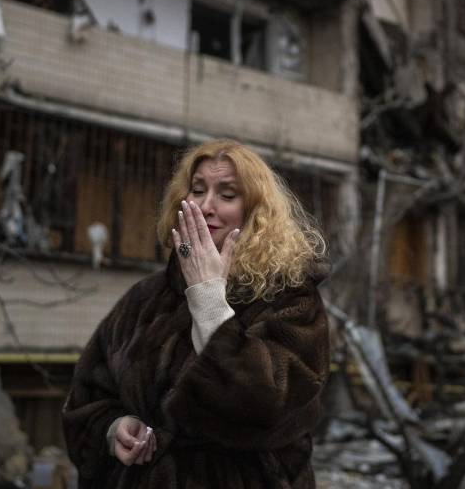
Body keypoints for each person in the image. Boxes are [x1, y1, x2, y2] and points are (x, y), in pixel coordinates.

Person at [62, 139, 330, 488]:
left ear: (255, 212)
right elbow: (88, 397)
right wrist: (113, 429)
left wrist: (208, 300)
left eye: (227, 195)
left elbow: (270, 404)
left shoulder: (290, 299)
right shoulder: (145, 299)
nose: (205, 206)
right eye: (198, 190)